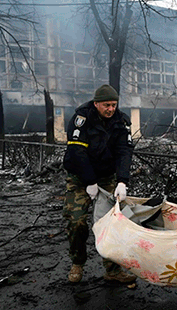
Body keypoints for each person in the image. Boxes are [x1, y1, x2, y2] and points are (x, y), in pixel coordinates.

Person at [63, 84, 137, 284]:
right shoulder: (82, 120)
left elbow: (124, 151)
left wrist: (122, 181)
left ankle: (112, 270)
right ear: (96, 104)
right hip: (80, 179)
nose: (111, 109)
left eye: (114, 105)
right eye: (106, 105)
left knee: (112, 223)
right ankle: (78, 263)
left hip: (106, 177)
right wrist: (89, 182)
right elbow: (77, 152)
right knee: (77, 221)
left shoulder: (121, 122)